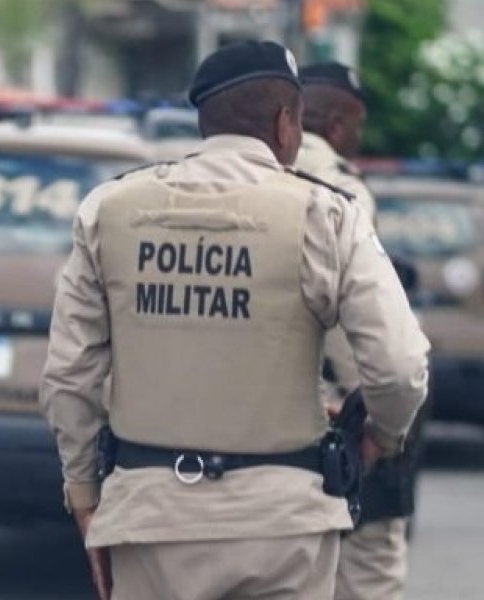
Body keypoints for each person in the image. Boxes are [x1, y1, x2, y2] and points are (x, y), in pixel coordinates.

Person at [40, 40, 430, 600]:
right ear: (285, 122)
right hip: (282, 527)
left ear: (205, 122)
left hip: (151, 518)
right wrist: (382, 437)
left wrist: (85, 498)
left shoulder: (109, 210)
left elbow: (67, 378)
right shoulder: (324, 213)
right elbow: (399, 366)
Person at [296, 61, 426, 600]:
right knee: (368, 566)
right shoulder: (343, 192)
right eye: (356, 126)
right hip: (334, 416)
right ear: (333, 124)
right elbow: (366, 335)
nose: (357, 139)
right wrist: (378, 426)